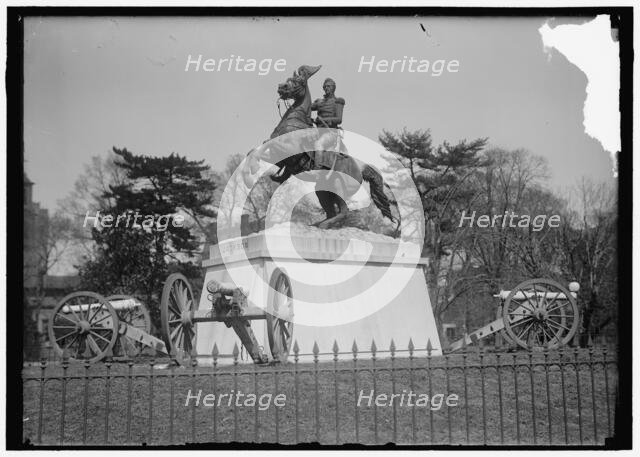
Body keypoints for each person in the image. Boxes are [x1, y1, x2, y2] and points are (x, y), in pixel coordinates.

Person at [311, 78, 346, 170]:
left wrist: (323, 119)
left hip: (330, 133)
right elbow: (307, 107)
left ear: (333, 88)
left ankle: (317, 170)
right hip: (317, 131)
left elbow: (339, 119)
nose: (326, 88)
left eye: (329, 86)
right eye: (325, 86)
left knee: (319, 144)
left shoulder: (338, 101)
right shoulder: (319, 102)